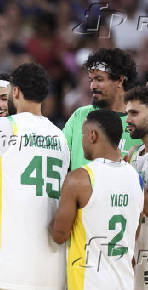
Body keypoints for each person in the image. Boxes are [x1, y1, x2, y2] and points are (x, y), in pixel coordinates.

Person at [0, 63, 70, 290]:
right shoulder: (60, 137)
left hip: (9, 265)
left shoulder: (1, 126)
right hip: (52, 269)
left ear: (15, 92)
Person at [52, 110, 144, 290]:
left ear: (93, 135)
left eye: (83, 135)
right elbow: (135, 231)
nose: (82, 141)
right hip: (124, 283)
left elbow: (59, 235)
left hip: (88, 283)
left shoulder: (79, 179)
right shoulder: (136, 178)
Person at [63, 48, 141, 171]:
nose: (92, 86)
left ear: (120, 80)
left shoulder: (140, 122)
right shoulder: (80, 115)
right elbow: (58, 154)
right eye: (91, 80)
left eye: (99, 79)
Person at [124, 87, 148, 290]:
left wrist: (129, 177)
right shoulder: (136, 153)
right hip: (137, 242)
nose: (128, 119)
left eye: (135, 113)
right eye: (127, 113)